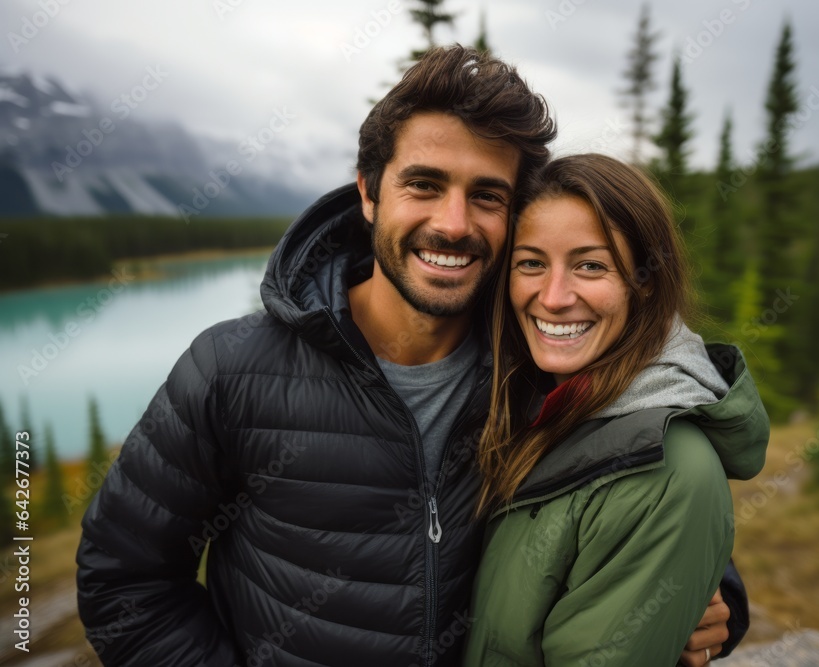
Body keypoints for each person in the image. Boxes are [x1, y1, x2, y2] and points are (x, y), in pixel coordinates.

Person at [76, 47, 747, 667]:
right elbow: (123, 578)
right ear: (369, 193)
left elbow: (645, 497)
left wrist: (714, 602)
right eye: (424, 184)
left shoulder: (540, 365)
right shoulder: (230, 369)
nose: (453, 224)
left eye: (486, 195)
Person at [463, 154, 769, 666]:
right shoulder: (520, 396)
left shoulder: (668, 467)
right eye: (531, 263)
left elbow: (659, 493)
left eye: (590, 265)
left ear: (645, 280)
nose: (554, 297)